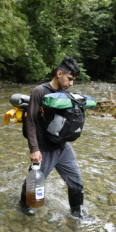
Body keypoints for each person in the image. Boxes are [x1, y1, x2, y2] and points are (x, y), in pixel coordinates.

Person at [20, 57, 95, 221]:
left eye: (73, 80)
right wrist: (34, 149)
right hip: (44, 149)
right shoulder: (39, 91)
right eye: (70, 79)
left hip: (62, 147)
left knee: (76, 180)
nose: (71, 83)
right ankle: (24, 206)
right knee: (33, 183)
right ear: (59, 73)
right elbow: (31, 121)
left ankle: (77, 212)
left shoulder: (65, 95)